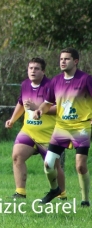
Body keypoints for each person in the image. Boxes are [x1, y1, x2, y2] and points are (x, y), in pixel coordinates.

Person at [34, 48, 92, 206]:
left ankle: (85, 200)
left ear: (76, 61)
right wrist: (40, 110)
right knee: (48, 163)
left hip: (81, 127)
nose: (62, 61)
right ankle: (55, 190)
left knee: (80, 165)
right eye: (61, 59)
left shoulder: (86, 79)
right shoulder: (55, 81)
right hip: (61, 128)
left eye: (66, 59)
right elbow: (47, 103)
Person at [5, 57, 66, 200]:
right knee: (17, 156)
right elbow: (21, 103)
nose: (33, 71)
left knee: (53, 167)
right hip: (28, 131)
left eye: (37, 68)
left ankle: (62, 194)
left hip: (48, 134)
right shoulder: (25, 84)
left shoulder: (52, 86)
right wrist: (12, 120)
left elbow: (60, 109)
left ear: (43, 71)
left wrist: (37, 108)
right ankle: (20, 192)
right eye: (30, 68)